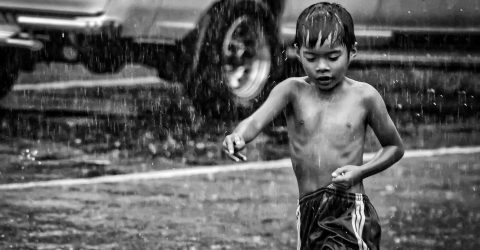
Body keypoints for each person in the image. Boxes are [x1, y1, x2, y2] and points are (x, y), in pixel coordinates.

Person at [222, 2, 405, 249]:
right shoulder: (291, 91)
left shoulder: (365, 97)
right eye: (311, 57)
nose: (322, 67)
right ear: (298, 52)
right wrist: (238, 136)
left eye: (332, 57)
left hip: (348, 208)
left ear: (352, 51)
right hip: (307, 210)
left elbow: (394, 147)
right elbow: (255, 120)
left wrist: (361, 172)